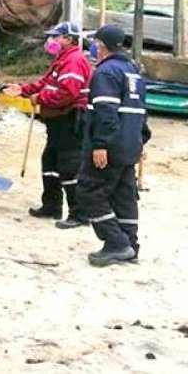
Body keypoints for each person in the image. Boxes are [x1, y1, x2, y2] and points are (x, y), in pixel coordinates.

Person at [3, 22, 92, 229]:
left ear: (68, 39)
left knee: (69, 165)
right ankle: (52, 205)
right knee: (50, 162)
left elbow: (67, 93)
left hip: (69, 118)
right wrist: (23, 90)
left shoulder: (74, 61)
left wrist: (40, 98)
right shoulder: (62, 60)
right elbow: (46, 83)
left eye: (56, 37)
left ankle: (80, 213)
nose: (51, 41)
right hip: (56, 119)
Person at [77, 24, 150, 267]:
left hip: (111, 146)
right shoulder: (134, 72)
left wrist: (100, 145)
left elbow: (106, 113)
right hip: (130, 145)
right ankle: (130, 245)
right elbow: (141, 112)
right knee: (123, 196)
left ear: (101, 45)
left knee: (89, 191)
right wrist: (141, 141)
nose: (93, 49)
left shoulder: (106, 73)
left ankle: (117, 243)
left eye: (95, 45)